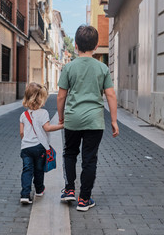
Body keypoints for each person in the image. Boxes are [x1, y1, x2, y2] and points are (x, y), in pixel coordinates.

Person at [57, 25, 119, 211]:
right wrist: (114, 121)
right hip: (94, 121)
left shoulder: (68, 67)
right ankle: (84, 199)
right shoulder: (102, 68)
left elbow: (61, 96)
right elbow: (111, 96)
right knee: (89, 159)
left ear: (75, 45)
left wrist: (61, 117)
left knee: (69, 153)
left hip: (73, 119)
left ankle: (69, 190)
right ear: (96, 45)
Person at [19, 82, 64, 204]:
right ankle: (39, 190)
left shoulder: (23, 115)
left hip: (26, 148)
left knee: (27, 170)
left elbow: (22, 133)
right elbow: (47, 128)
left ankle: (25, 194)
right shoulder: (43, 113)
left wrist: (27, 140)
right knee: (38, 170)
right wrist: (61, 126)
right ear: (41, 99)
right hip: (39, 147)